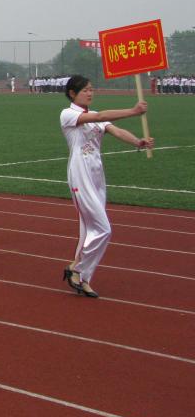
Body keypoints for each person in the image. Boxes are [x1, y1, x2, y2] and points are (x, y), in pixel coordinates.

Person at [60, 75, 153, 298]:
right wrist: (133, 111)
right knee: (103, 228)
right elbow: (101, 116)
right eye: (85, 90)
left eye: (91, 89)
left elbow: (116, 130)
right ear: (72, 93)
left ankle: (83, 278)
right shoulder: (68, 114)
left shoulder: (95, 116)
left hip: (96, 175)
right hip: (80, 174)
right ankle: (76, 267)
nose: (90, 93)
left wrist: (138, 142)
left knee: (89, 229)